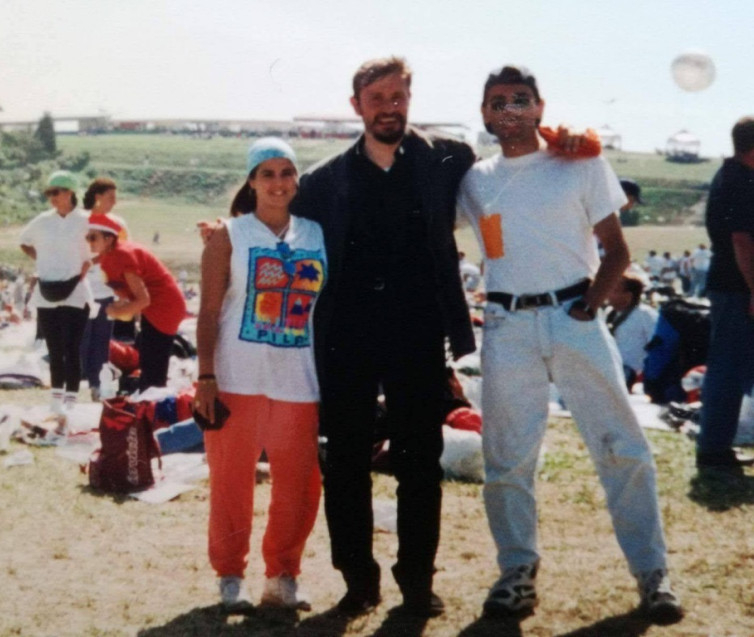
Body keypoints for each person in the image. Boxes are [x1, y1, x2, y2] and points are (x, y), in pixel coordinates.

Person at [457, 65, 683, 624]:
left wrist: (588, 308)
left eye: (521, 99)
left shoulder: (581, 163)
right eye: (497, 102)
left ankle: (652, 573)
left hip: (572, 316)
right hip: (506, 323)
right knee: (506, 456)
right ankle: (516, 573)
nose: (509, 110)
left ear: (540, 107)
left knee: (621, 445)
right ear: (484, 113)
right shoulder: (475, 180)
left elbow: (617, 250)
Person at [293, 57, 476, 617]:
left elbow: (510, 168)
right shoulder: (323, 181)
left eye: (398, 96)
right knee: (345, 463)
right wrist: (223, 235)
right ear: (357, 106)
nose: (389, 108)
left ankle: (417, 582)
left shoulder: (448, 159)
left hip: (418, 333)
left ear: (410, 99)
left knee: (420, 462)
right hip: (346, 338)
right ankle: (358, 581)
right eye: (377, 98)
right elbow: (274, 223)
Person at [196, 138, 326, 611]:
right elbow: (209, 312)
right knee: (231, 482)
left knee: (299, 484)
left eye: (286, 172)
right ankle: (231, 576)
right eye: (267, 173)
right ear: (251, 181)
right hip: (236, 378)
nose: (278, 182)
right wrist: (205, 377)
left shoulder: (316, 233)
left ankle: (283, 576)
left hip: (298, 379)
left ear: (297, 179)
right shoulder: (229, 235)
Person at [695, 117, 754, 476]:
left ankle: (717, 447)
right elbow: (742, 241)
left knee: (732, 366)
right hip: (736, 288)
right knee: (728, 368)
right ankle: (714, 451)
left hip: (732, 285)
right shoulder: (741, 181)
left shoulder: (731, 176)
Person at [19, 170, 92, 427]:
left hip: (75, 288)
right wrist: (41, 259)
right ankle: (55, 398)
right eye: (49, 192)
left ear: (70, 192)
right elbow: (24, 241)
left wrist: (88, 263)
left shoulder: (85, 220)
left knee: (72, 347)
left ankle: (71, 398)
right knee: (54, 348)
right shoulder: (42, 220)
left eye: (56, 192)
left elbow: (103, 244)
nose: (52, 197)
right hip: (47, 288)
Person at [86, 209, 185, 392]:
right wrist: (121, 306)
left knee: (153, 367)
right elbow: (132, 295)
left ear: (108, 239)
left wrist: (116, 311)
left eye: (93, 238)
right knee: (148, 362)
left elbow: (143, 299)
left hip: (164, 307)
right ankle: (149, 401)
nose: (88, 242)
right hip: (154, 308)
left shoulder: (123, 256)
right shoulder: (111, 256)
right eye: (87, 238)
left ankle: (153, 403)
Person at [79, 178, 129, 401]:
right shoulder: (79, 221)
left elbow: (125, 254)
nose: (114, 202)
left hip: (106, 291)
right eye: (110, 197)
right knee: (82, 339)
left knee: (101, 340)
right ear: (97, 197)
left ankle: (97, 385)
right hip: (81, 289)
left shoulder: (118, 223)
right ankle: (72, 383)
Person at [606, 273, 659, 391]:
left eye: (614, 290)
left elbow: (656, 346)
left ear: (628, 296)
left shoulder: (645, 314)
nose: (608, 293)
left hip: (633, 374)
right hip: (612, 369)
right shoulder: (610, 313)